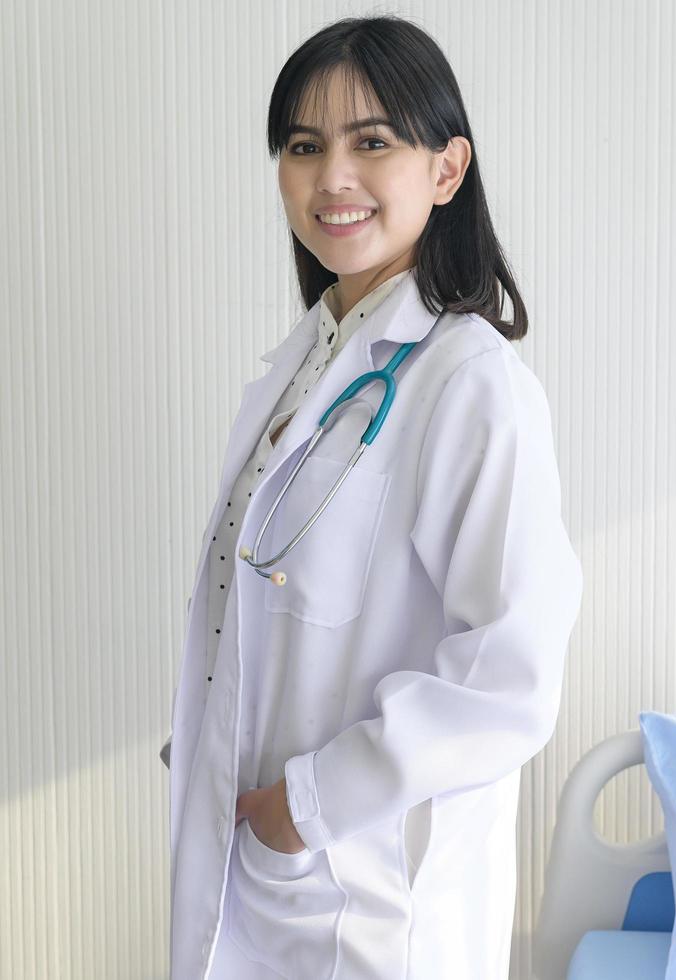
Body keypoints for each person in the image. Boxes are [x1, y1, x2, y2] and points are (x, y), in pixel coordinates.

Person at [163, 15, 583, 979]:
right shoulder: (301, 367)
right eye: (304, 147)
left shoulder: (469, 385)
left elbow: (508, 681)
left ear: (446, 170)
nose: (331, 178)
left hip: (366, 903)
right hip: (260, 867)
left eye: (372, 141)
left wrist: (302, 806)